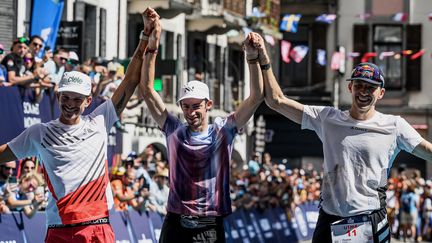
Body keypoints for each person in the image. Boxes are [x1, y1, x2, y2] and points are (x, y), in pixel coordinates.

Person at [252, 32, 432, 243]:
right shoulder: (328, 118)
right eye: (359, 85)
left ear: (380, 93)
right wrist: (262, 58)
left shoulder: (394, 125)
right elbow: (276, 101)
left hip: (370, 219)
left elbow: (427, 151)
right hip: (330, 218)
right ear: (350, 87)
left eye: (371, 87)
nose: (364, 91)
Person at [0, 8, 160, 243]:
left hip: (97, 229)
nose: (70, 104)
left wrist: (145, 36)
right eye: (66, 97)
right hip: (59, 230)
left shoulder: (100, 120)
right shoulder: (40, 133)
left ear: (88, 101)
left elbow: (131, 80)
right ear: (58, 96)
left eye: (77, 99)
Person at [140, 23, 264, 242]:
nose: (191, 112)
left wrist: (252, 58)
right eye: (186, 106)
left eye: (196, 105)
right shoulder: (174, 131)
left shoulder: (223, 130)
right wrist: (152, 44)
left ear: (209, 104)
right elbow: (148, 90)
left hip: (209, 225)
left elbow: (255, 97)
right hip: (175, 222)